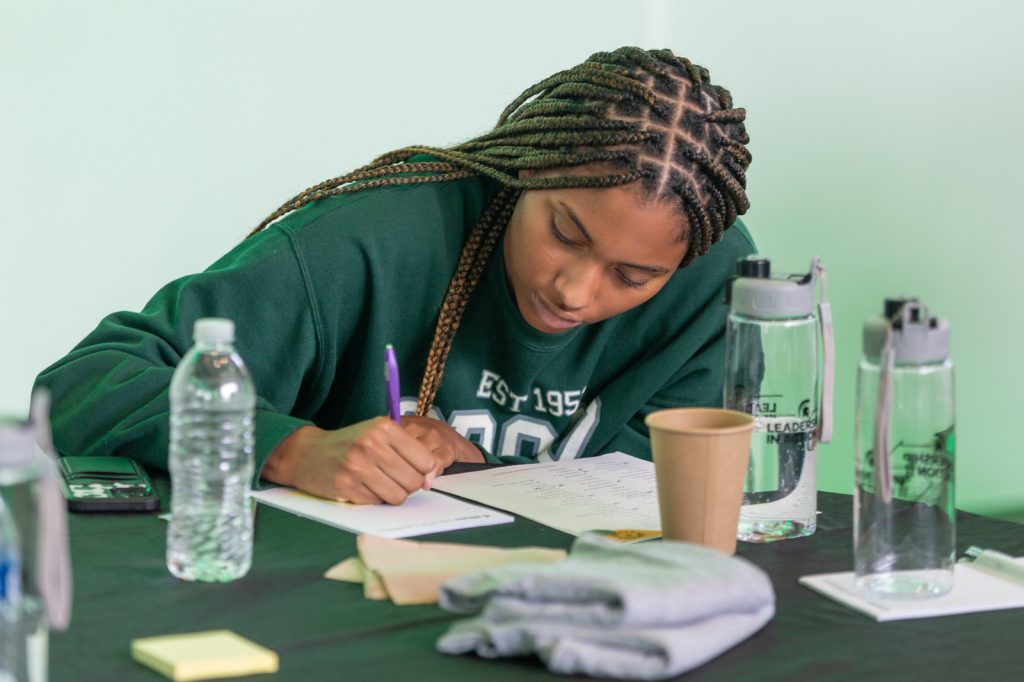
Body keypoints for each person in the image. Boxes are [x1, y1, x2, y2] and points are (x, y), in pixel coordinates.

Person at [35, 47, 755, 505]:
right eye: (564, 232)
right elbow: (84, 384)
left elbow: (668, 497)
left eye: (633, 276)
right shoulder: (371, 239)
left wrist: (486, 468)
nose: (575, 290)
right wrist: (291, 449)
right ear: (529, 170)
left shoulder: (713, 291)